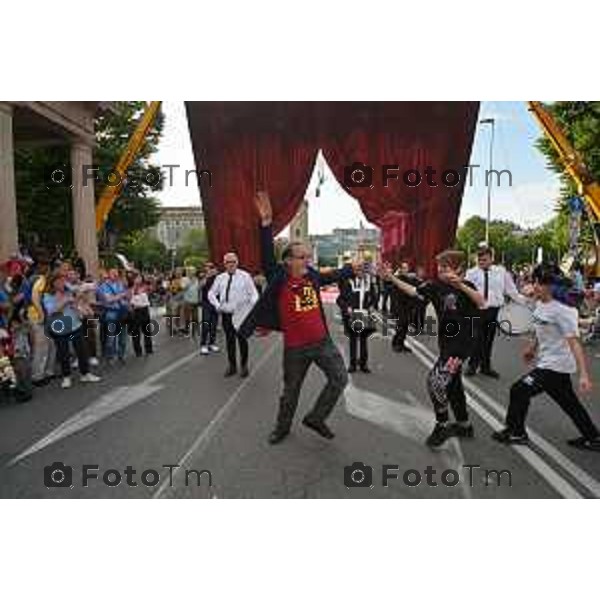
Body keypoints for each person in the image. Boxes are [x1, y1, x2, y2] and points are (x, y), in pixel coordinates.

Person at [239, 191, 354, 445]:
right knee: (290, 392)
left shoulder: (311, 275)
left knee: (340, 379)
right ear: (288, 261)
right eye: (302, 257)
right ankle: (282, 428)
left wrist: (350, 269)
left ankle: (316, 417)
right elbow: (267, 255)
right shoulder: (279, 277)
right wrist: (266, 223)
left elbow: (329, 276)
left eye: (308, 257)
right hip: (295, 349)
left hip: (323, 343)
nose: (307, 261)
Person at [383, 250, 485, 447]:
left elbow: (482, 303)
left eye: (445, 267)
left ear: (458, 269)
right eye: (439, 266)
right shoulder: (435, 286)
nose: (441, 270)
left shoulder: (467, 287)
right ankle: (464, 425)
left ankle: (442, 424)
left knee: (436, 382)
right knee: (453, 384)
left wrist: (460, 286)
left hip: (462, 346)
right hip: (446, 343)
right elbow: (413, 291)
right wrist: (392, 278)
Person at [492, 265, 600, 450]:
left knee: (519, 390)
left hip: (556, 366)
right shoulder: (541, 304)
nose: (534, 286)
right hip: (548, 362)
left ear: (551, 286)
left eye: (539, 283)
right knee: (570, 404)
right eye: (534, 281)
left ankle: (516, 432)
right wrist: (532, 348)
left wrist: (583, 374)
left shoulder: (564, 311)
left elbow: (575, 343)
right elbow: (542, 329)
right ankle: (594, 438)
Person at [465, 246, 521, 378]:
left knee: (488, 339)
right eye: (479, 260)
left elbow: (511, 291)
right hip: (477, 311)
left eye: (484, 260)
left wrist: (526, 302)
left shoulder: (501, 272)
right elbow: (466, 292)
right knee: (476, 339)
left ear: (492, 258)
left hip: (494, 311)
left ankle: (485, 367)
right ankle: (472, 365)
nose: (481, 262)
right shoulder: (471, 273)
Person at [42, 272, 101, 389]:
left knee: (82, 350)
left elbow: (79, 299)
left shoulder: (69, 290)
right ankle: (66, 377)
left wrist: (78, 302)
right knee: (64, 353)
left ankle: (85, 374)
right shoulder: (48, 295)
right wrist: (65, 301)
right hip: (60, 326)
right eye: (59, 281)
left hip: (75, 324)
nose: (62, 283)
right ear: (53, 283)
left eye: (63, 281)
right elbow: (52, 311)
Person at [208, 252, 258, 377]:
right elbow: (211, 293)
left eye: (233, 262)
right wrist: (217, 305)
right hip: (227, 314)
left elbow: (254, 293)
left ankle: (244, 365)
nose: (230, 264)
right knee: (229, 341)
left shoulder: (245, 276)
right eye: (227, 262)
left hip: (241, 314)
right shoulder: (220, 278)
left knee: (242, 339)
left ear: (237, 262)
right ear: (224, 264)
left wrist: (252, 307)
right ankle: (232, 366)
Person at [337, 262, 376, 373]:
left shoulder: (369, 283)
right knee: (353, 340)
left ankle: (364, 365)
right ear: (355, 272)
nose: (361, 273)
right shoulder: (348, 283)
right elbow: (340, 300)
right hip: (353, 314)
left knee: (364, 340)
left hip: (365, 314)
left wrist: (372, 306)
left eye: (363, 271)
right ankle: (353, 365)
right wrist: (347, 308)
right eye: (358, 271)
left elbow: (374, 297)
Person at [97, 268, 129, 363]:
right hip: (111, 313)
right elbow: (108, 300)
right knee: (111, 338)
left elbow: (126, 298)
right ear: (109, 274)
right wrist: (121, 296)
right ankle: (110, 356)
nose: (115, 274)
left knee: (123, 337)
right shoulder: (103, 286)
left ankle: (121, 355)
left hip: (121, 312)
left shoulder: (121, 285)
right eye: (112, 273)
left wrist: (124, 297)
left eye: (116, 273)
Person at [129, 274, 154, 357]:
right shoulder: (131, 288)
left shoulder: (145, 287)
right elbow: (130, 298)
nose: (139, 279)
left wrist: (149, 284)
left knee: (147, 331)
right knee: (136, 332)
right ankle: (138, 351)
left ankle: (149, 349)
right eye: (137, 278)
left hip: (145, 309)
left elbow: (152, 289)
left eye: (140, 277)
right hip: (136, 311)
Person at [199, 262, 219, 355]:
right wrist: (207, 276)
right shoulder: (204, 277)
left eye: (211, 267)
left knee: (214, 325)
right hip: (206, 303)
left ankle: (212, 343)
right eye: (207, 267)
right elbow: (200, 286)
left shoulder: (218, 278)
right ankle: (203, 345)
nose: (209, 269)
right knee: (206, 324)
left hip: (216, 304)